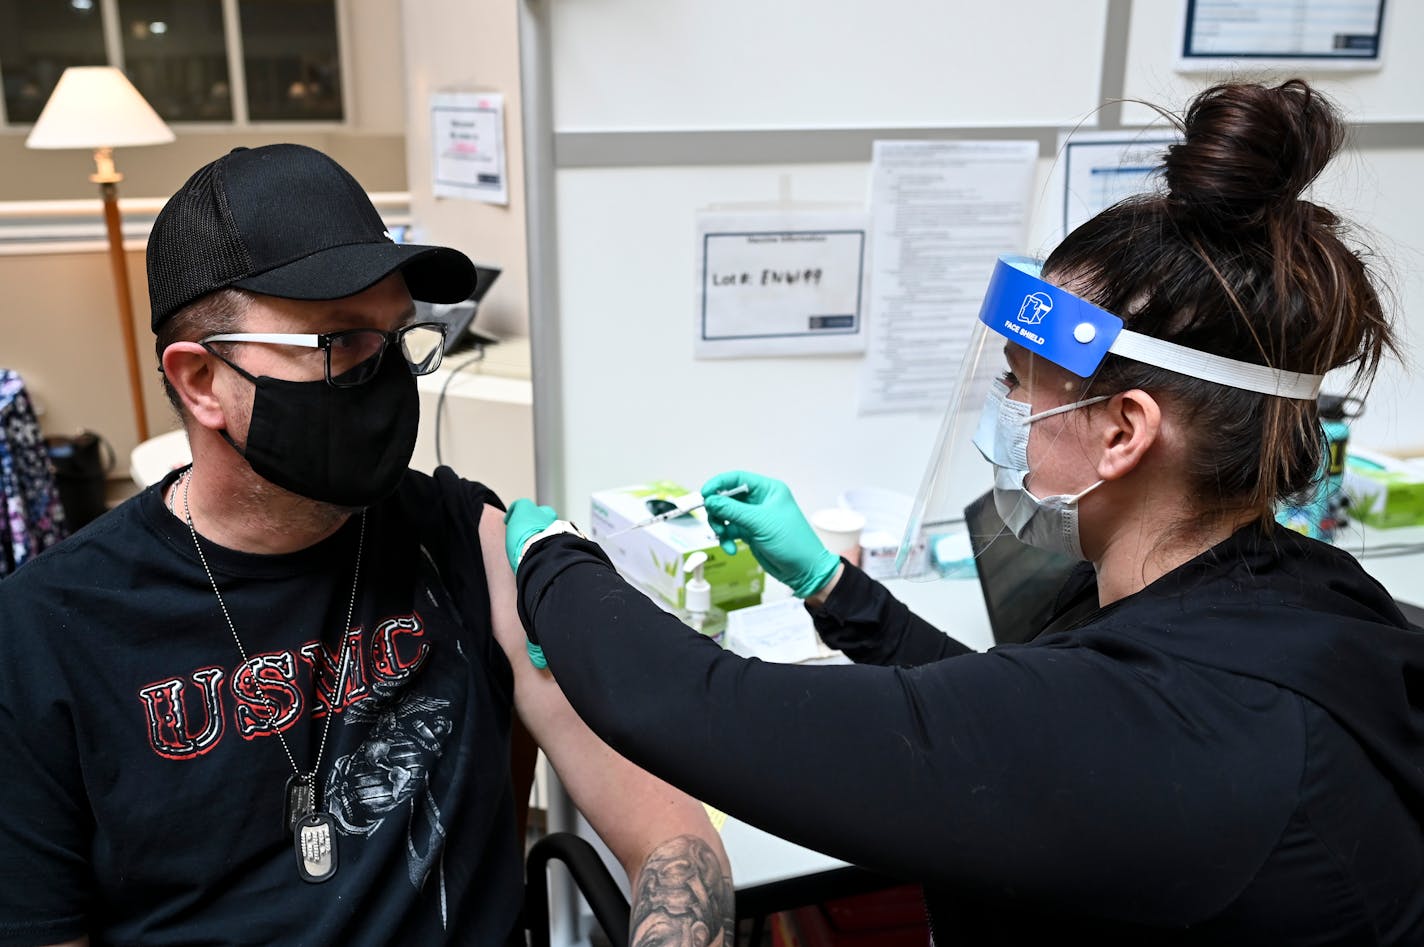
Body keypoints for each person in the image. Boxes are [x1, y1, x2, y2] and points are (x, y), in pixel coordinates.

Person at [501, 80, 1424, 942]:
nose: (1009, 413)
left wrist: (547, 557)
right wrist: (832, 586)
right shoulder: (1293, 594)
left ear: (1123, 432)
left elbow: (702, 709)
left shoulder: (1172, 726)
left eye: (1023, 385)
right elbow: (998, 724)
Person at [0, 144, 733, 946]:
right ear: (202, 381)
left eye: (395, 336)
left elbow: (674, 837)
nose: (384, 376)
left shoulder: (463, 537)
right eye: (339, 341)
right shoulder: (46, 635)